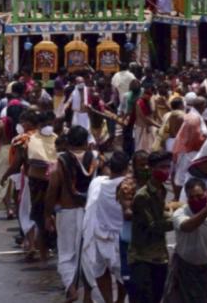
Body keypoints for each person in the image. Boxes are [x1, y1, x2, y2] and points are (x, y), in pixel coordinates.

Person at [46, 125, 99, 302]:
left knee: (67, 251)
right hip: (90, 212)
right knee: (87, 252)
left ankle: (71, 288)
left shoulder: (61, 161)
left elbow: (53, 187)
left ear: (68, 142)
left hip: (67, 211)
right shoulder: (96, 158)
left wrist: (47, 214)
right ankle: (89, 293)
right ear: (86, 142)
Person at [82, 150, 129, 303]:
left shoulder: (99, 184)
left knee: (100, 271)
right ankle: (119, 300)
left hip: (100, 235)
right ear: (126, 168)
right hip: (119, 239)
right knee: (123, 275)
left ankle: (109, 301)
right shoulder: (129, 186)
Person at [165, 177, 207, 303]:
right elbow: (188, 227)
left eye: (199, 196)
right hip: (185, 270)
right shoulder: (180, 213)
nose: (196, 200)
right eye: (192, 197)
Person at [129, 151, 173, 303]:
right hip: (143, 258)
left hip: (159, 257)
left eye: (168, 167)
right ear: (152, 168)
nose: (166, 171)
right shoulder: (143, 196)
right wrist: (179, 222)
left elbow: (162, 214)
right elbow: (154, 225)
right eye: (162, 167)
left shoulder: (162, 190)